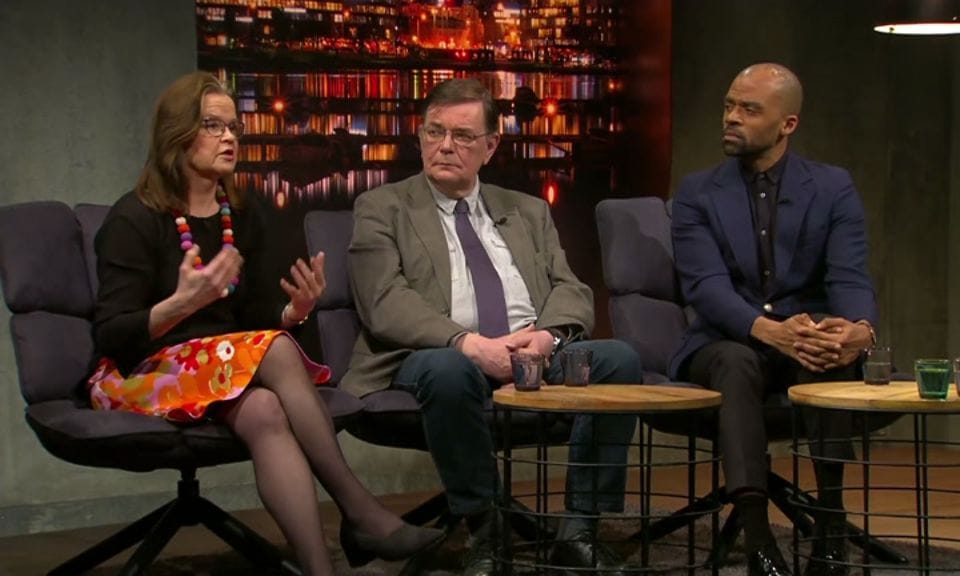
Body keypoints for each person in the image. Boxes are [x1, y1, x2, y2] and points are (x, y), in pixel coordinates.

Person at [89, 71, 443, 576]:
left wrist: (291, 313)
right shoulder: (134, 218)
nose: (229, 137)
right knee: (274, 350)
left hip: (216, 374)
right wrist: (181, 305)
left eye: (234, 127)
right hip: (141, 374)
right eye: (213, 125)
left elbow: (249, 317)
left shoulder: (241, 213)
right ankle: (360, 511)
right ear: (176, 134)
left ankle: (319, 569)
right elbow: (112, 333)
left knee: (265, 409)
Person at [346, 78, 642, 576]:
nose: (445, 146)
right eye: (434, 132)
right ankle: (485, 528)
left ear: (490, 146)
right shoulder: (383, 207)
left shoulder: (526, 210)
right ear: (420, 136)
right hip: (433, 354)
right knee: (448, 369)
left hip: (532, 356)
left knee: (618, 361)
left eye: (462, 136)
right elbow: (383, 301)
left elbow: (570, 288)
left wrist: (546, 338)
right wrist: (467, 343)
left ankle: (578, 530)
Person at [669, 63, 877, 576]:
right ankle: (758, 535)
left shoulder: (832, 187)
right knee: (737, 362)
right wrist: (769, 331)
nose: (731, 118)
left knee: (828, 350)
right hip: (726, 340)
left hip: (803, 337)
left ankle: (830, 524)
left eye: (749, 109)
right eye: (728, 106)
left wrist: (857, 329)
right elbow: (705, 287)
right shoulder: (698, 193)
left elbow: (849, 274)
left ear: (788, 124)